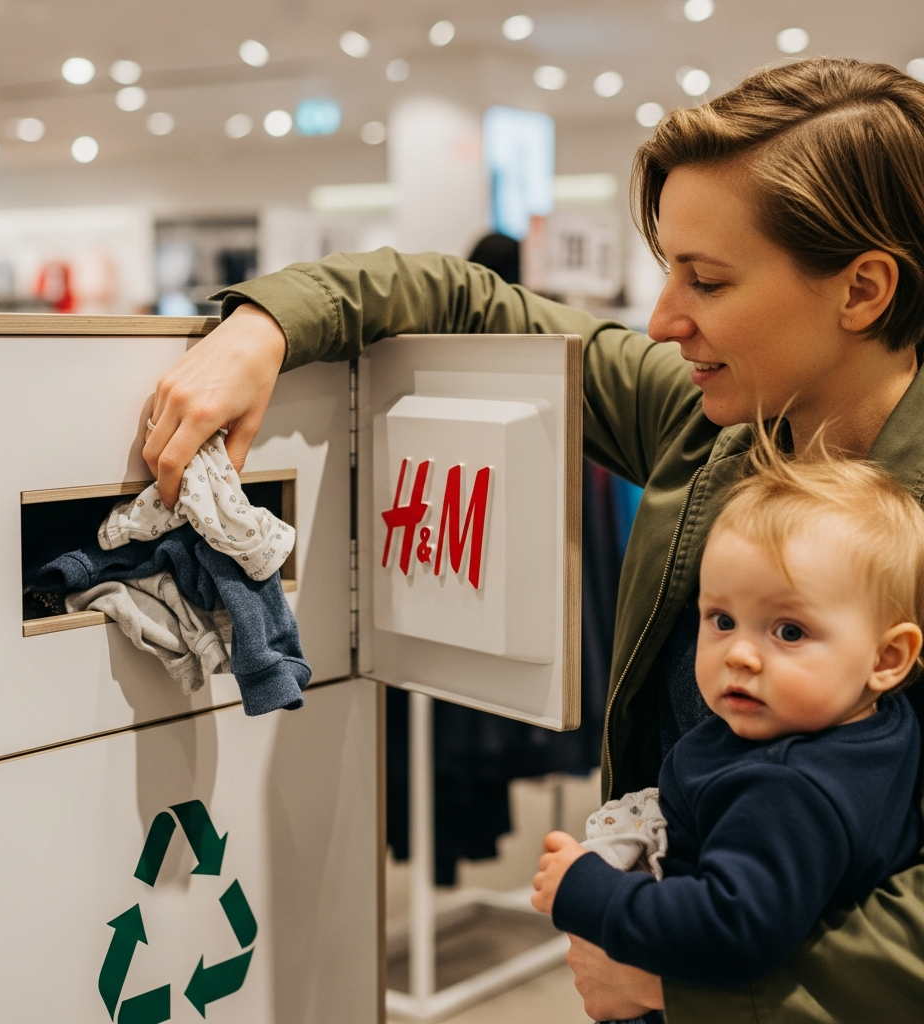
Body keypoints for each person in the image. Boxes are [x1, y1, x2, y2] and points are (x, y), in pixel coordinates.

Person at [141, 57, 924, 1022]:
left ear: (863, 290)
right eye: (668, 268)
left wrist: (690, 986)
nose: (663, 317)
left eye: (708, 280)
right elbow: (469, 302)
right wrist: (264, 327)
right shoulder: (710, 424)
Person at [530, 439, 924, 999]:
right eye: (721, 619)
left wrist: (586, 890)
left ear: (888, 659)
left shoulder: (789, 790)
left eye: (789, 631)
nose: (739, 654)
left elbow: (729, 930)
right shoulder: (873, 725)